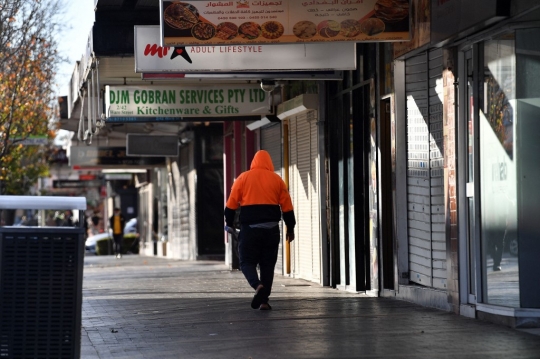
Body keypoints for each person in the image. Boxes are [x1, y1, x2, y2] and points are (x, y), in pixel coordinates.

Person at [224, 150, 296, 310]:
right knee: (267, 264)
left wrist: (229, 223)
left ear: (253, 163)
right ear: (269, 163)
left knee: (246, 261)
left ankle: (257, 286)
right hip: (271, 230)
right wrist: (290, 228)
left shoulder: (243, 178)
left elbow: (230, 206)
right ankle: (264, 301)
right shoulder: (277, 180)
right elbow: (287, 207)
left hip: (250, 229)